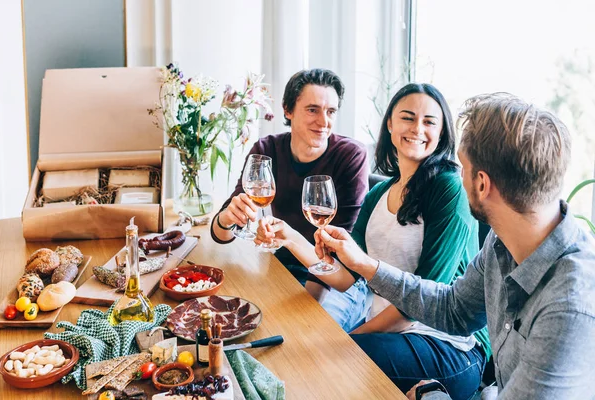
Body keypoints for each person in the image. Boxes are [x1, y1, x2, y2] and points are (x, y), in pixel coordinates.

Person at [314, 93, 595, 399]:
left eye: (462, 168)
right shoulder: (502, 240)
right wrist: (365, 265)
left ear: (482, 184)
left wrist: (435, 397)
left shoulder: (571, 307)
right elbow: (453, 309)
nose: (457, 177)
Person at [256, 83, 491, 399]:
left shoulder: (448, 189)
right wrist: (291, 238)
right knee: (302, 352)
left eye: (429, 122)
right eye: (407, 118)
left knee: (324, 358)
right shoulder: (379, 194)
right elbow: (345, 279)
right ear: (391, 124)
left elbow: (424, 302)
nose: (417, 129)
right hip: (394, 334)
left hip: (450, 346)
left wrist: (347, 337)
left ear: (442, 132)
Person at [210, 68, 370, 330]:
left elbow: (339, 259)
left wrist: (302, 310)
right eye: (312, 110)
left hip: (330, 278)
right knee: (222, 315)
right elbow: (221, 234)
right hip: (279, 267)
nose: (324, 121)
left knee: (296, 333)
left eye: (331, 111)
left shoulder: (350, 156)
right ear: (287, 110)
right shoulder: (266, 149)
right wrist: (228, 217)